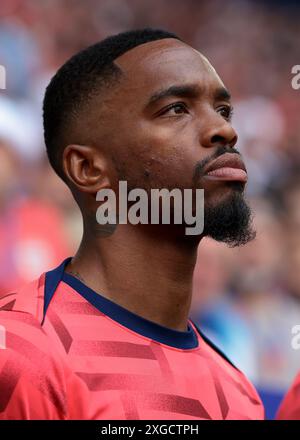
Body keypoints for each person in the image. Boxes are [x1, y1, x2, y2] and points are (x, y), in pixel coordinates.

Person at [0, 28, 263, 420]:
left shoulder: (239, 392)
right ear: (88, 168)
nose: (225, 130)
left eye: (223, 109)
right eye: (176, 108)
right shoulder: (20, 352)